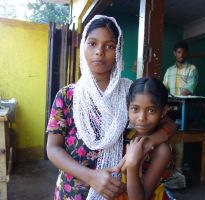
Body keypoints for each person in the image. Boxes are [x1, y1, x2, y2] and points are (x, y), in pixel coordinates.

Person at [46, 15, 175, 200]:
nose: (100, 51)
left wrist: (149, 141)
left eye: (110, 46)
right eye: (92, 43)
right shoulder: (67, 96)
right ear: (83, 47)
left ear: (118, 51)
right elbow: (53, 149)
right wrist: (90, 176)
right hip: (73, 192)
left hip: (119, 194)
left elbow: (168, 122)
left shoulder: (130, 92)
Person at [116, 77, 173, 200]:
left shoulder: (161, 150)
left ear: (163, 111)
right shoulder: (123, 135)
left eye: (151, 110)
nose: (142, 118)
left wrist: (132, 164)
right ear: (128, 108)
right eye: (135, 109)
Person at [163, 41, 199, 189]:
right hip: (171, 108)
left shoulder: (192, 69)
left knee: (179, 139)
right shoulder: (169, 71)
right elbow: (164, 88)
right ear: (174, 53)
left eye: (183, 52)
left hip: (185, 109)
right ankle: (168, 171)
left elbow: (188, 90)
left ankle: (178, 171)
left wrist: (175, 97)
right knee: (168, 137)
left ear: (186, 53)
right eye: (178, 52)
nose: (181, 55)